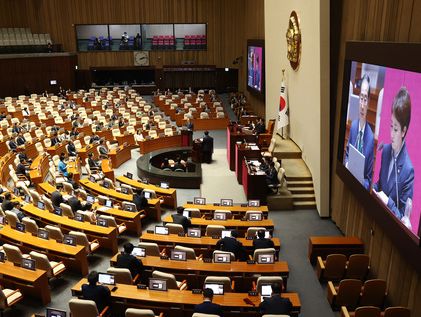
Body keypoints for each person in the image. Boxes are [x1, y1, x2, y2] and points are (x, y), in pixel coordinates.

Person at [373, 87, 414, 220]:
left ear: (403, 131)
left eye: (395, 129)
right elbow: (380, 185)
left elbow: (403, 218)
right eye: (391, 126)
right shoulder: (385, 151)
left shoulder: (408, 171)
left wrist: (387, 202)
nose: (391, 134)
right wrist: (370, 188)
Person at [344, 74, 375, 189]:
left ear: (369, 101)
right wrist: (347, 164)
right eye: (361, 98)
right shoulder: (353, 126)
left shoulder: (370, 139)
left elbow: (368, 180)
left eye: (365, 99)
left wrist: (360, 182)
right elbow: (347, 154)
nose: (362, 105)